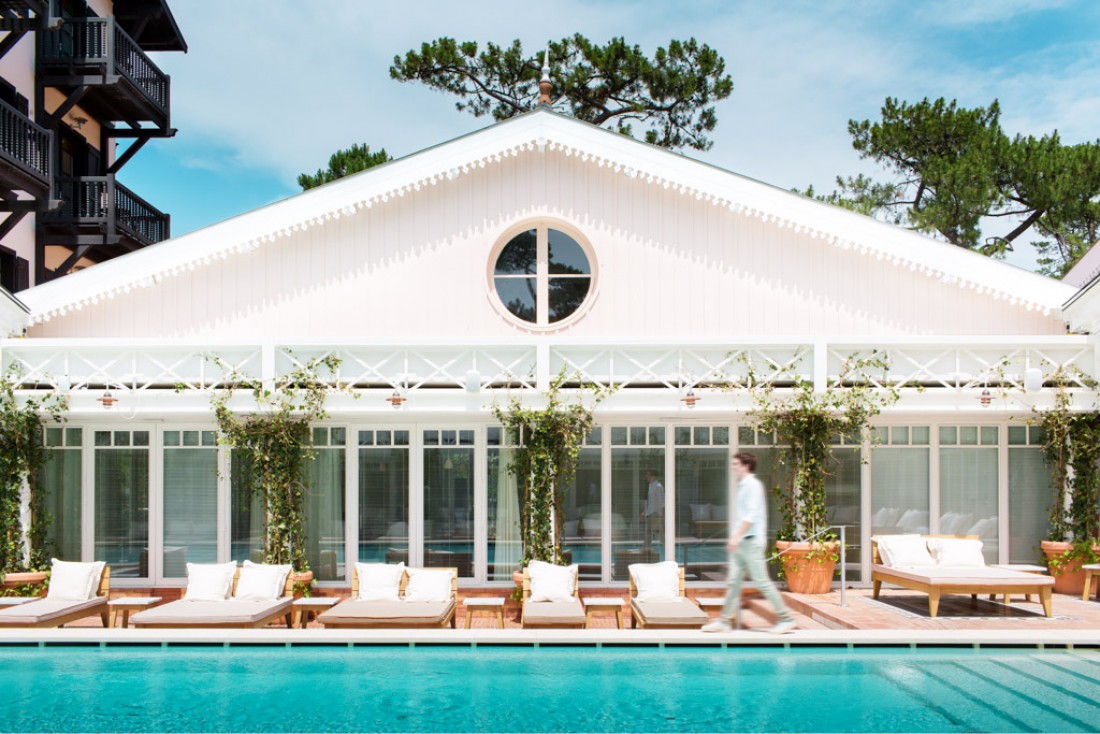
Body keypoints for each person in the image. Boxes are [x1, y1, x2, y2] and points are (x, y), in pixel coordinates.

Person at [702, 451, 796, 634]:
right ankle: (724, 622)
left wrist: (735, 536)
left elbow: (750, 516)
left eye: (736, 464)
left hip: (751, 542)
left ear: (746, 466)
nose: (733, 467)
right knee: (733, 582)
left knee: (761, 581)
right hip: (742, 543)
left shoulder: (753, 486)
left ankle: (786, 618)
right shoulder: (743, 486)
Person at [641, 470, 664, 553]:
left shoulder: (658, 486)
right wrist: (645, 511)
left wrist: (661, 515)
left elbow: (661, 501)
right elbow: (651, 501)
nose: (646, 477)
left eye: (648, 475)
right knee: (649, 533)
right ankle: (646, 549)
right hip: (650, 512)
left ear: (653, 476)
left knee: (649, 532)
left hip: (655, 513)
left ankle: (646, 549)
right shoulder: (651, 485)